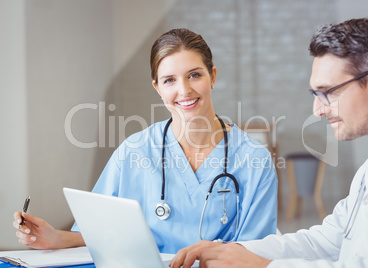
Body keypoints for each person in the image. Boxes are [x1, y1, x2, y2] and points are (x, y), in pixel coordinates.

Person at [13, 28, 278, 254]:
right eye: (169, 80)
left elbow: (255, 252)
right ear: (157, 88)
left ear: (213, 76)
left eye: (195, 75)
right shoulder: (133, 151)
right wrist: (55, 238)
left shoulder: (255, 158)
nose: (184, 90)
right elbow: (97, 232)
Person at [170, 18, 368, 267]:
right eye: (316, 94)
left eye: (329, 92)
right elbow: (323, 241)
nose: (318, 110)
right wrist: (232, 249)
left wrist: (263, 266)